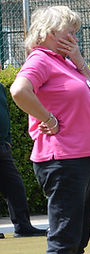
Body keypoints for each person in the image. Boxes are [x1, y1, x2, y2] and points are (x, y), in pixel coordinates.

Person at [10, 6, 90, 254]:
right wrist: (47, 118)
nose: (75, 37)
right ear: (50, 32)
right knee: (64, 238)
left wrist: (79, 61)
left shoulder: (66, 62)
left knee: (78, 238)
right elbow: (19, 90)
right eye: (70, 31)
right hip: (62, 159)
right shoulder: (40, 59)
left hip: (83, 157)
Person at [0, 82, 46, 238]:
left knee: (15, 187)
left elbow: (5, 115)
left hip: (2, 146)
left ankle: (23, 227)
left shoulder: (0, 88)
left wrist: (7, 140)